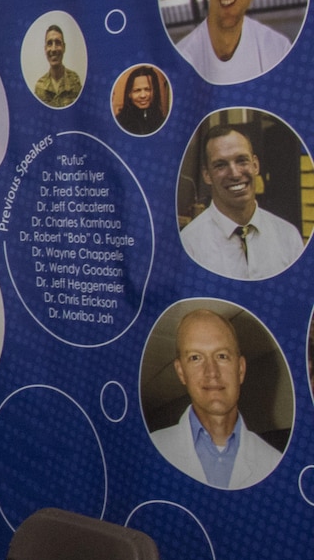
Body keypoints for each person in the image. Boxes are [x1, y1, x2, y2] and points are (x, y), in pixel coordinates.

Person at [148, 308, 284, 489]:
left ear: (241, 369)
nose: (211, 372)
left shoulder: (274, 463)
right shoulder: (149, 449)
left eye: (222, 356)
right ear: (181, 372)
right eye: (195, 358)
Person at [179, 122, 305, 280]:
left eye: (241, 160)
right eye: (221, 165)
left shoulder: (288, 236)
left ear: (255, 165)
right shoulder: (189, 244)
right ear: (207, 175)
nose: (235, 173)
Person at [32, 24, 82, 106]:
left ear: (64, 47)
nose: (53, 49)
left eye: (58, 43)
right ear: (45, 49)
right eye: (49, 43)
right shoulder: (40, 87)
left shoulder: (75, 81)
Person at [115, 65, 167, 135]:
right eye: (137, 90)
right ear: (129, 94)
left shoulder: (161, 121)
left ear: (154, 91)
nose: (143, 95)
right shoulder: (120, 122)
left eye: (147, 89)